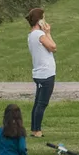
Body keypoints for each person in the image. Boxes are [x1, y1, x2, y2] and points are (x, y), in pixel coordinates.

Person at [27, 8, 57, 137]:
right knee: (42, 103)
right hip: (46, 73)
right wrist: (48, 33)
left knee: (37, 102)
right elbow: (53, 47)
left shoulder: (31, 35)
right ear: (39, 21)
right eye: (44, 18)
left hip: (39, 72)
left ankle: (35, 129)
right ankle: (37, 130)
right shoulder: (39, 34)